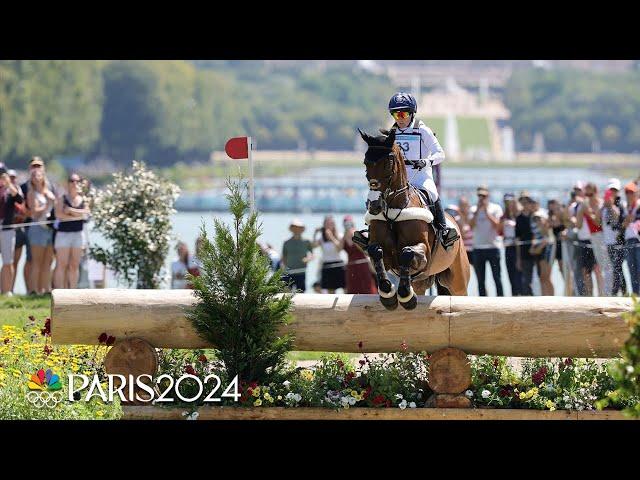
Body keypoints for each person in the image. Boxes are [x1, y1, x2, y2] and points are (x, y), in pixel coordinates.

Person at [357, 92, 458, 249]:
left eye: (403, 113)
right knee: (376, 194)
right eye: (396, 114)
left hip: (420, 176)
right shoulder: (392, 133)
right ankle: (370, 230)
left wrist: (426, 162)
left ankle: (443, 230)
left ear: (412, 114)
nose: (400, 118)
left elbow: (441, 154)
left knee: (432, 193)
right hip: (398, 178)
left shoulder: (423, 130)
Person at [21, 156, 57, 294]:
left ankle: (45, 290)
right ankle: (33, 290)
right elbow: (33, 212)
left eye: (39, 170)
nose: (37, 174)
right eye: (34, 170)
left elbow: (56, 206)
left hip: (49, 229)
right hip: (35, 228)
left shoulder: (51, 187)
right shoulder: (28, 190)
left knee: (47, 262)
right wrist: (48, 203)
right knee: (34, 262)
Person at [53, 173, 90, 289]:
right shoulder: (62, 198)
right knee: (61, 265)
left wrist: (69, 211)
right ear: (68, 183)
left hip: (78, 234)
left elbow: (87, 213)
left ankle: (73, 291)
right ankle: (59, 292)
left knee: (74, 265)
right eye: (72, 181)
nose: (74, 183)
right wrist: (77, 214)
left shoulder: (83, 199)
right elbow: (58, 214)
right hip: (63, 234)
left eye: (77, 181)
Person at [469, 185, 503, 296]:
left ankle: (501, 300)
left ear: (488, 196)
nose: (481, 198)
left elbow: (498, 226)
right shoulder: (473, 209)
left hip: (493, 247)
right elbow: (471, 226)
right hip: (478, 248)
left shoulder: (495, 208)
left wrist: (487, 212)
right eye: (479, 195)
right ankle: (482, 301)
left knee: (497, 277)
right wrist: (478, 211)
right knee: (480, 280)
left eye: (483, 196)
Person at [576, 182, 609, 296]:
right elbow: (579, 225)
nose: (589, 196)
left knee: (600, 268)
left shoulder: (600, 204)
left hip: (600, 237)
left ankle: (603, 294)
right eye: (587, 194)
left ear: (596, 192)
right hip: (589, 239)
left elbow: (598, 223)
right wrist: (581, 210)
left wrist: (588, 211)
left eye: (591, 194)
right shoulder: (584, 205)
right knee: (586, 270)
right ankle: (590, 296)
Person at [339, 215, 376, 294]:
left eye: (349, 224)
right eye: (346, 224)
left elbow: (365, 251)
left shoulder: (359, 234)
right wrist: (344, 237)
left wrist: (355, 238)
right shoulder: (344, 237)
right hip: (351, 267)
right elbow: (338, 249)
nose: (348, 226)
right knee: (352, 289)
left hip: (362, 265)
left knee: (366, 288)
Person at [0, 172, 24, 295]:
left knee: (8, 261)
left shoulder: (12, 188)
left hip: (7, 229)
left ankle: (6, 291)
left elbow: (19, 200)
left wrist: (8, 184)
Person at [602, 181, 626, 296]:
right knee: (615, 268)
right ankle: (618, 292)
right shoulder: (604, 206)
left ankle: (618, 293)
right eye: (611, 190)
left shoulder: (619, 204)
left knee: (617, 268)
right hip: (608, 241)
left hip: (618, 241)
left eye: (615, 190)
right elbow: (598, 222)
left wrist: (611, 205)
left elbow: (617, 218)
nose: (613, 193)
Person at [515, 193, 542, 296]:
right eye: (523, 202)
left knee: (540, 277)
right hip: (525, 252)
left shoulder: (536, 216)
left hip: (539, 251)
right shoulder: (519, 218)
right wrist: (518, 258)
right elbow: (518, 239)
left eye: (528, 201)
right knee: (526, 280)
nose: (526, 204)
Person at [312, 215, 345, 294]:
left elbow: (339, 249)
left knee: (344, 288)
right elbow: (313, 246)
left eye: (331, 223)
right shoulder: (322, 238)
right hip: (326, 265)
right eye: (327, 224)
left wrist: (332, 237)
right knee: (330, 291)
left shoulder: (339, 235)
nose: (329, 226)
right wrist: (315, 234)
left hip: (338, 264)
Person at [281, 218, 314, 292]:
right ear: (291, 229)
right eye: (294, 227)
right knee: (286, 295)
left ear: (302, 229)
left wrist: (308, 259)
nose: (296, 229)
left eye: (298, 228)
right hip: (289, 273)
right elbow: (283, 258)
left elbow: (312, 254)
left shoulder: (307, 241)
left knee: (301, 294)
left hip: (301, 272)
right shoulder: (286, 242)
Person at [7, 170, 27, 292]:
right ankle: (5, 289)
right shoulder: (4, 192)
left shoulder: (19, 192)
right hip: (6, 229)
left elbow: (24, 210)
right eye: (10, 178)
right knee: (7, 263)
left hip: (19, 230)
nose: (13, 180)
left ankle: (11, 289)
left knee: (15, 263)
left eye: (14, 178)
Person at [529, 199, 554, 296]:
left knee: (546, 276)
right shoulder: (533, 217)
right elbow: (535, 235)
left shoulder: (540, 214)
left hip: (546, 247)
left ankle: (552, 299)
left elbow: (547, 235)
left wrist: (540, 246)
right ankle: (545, 298)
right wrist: (534, 247)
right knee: (542, 277)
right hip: (539, 248)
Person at [499, 193, 522, 296]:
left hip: (519, 247)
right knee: (511, 274)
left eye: (510, 201)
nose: (508, 204)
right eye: (506, 202)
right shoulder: (504, 216)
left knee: (519, 274)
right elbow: (499, 232)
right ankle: (514, 296)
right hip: (508, 247)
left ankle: (522, 295)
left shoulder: (518, 215)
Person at [622, 181, 640, 295]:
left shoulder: (638, 206)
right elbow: (622, 224)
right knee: (631, 269)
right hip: (628, 241)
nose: (629, 195)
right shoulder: (625, 207)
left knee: (639, 269)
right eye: (627, 192)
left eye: (631, 192)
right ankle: (635, 295)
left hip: (638, 241)